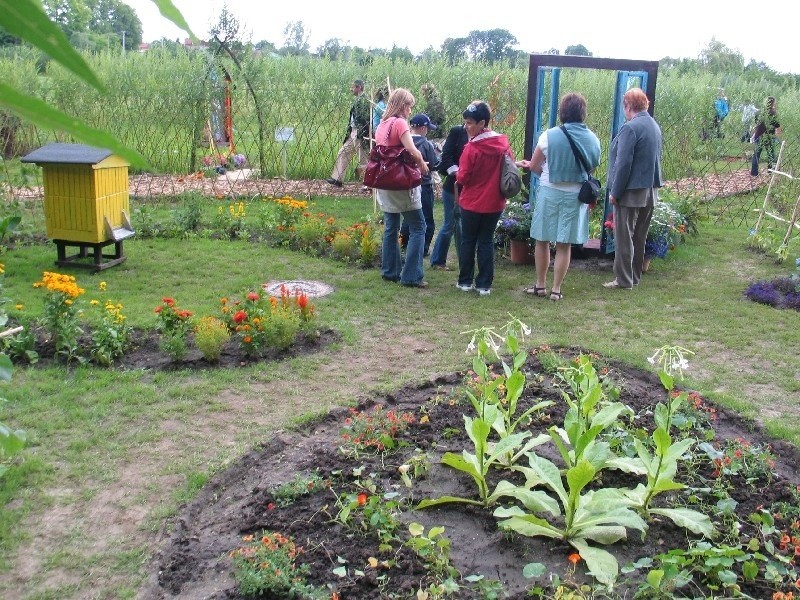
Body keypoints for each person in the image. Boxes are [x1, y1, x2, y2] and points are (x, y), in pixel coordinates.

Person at [516, 92, 601, 301]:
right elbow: (593, 165)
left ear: (562, 111)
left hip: (549, 191)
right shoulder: (593, 138)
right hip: (576, 195)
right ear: (583, 112)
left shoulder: (549, 135)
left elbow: (535, 165)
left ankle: (540, 285)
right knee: (564, 245)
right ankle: (556, 289)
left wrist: (545, 172)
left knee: (542, 240)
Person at [603, 88, 663, 290]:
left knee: (624, 236)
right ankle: (635, 276)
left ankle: (623, 280)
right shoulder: (654, 125)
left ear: (627, 106)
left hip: (630, 191)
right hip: (650, 189)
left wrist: (615, 191)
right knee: (639, 236)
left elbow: (623, 163)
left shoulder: (631, 128)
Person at [374, 88, 430, 288]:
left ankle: (390, 271)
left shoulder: (381, 124)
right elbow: (411, 149)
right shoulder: (399, 123)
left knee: (391, 226)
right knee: (418, 226)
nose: (410, 110)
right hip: (401, 183)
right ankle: (412, 276)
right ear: (401, 105)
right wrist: (423, 164)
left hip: (385, 182)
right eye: (409, 106)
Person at [455, 101, 512, 296]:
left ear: (482, 123)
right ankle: (484, 285)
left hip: (471, 202)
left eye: (470, 122)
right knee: (486, 241)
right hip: (495, 202)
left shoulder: (471, 148)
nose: (466, 126)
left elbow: (463, 177)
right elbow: (509, 169)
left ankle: (465, 281)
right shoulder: (503, 145)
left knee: (468, 240)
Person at [399, 114, 440, 256]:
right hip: (424, 185)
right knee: (427, 219)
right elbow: (435, 166)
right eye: (427, 128)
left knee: (408, 218)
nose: (428, 131)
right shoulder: (427, 145)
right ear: (423, 128)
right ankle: (423, 249)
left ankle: (403, 244)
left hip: (407, 185)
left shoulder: (404, 142)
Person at [430, 123, 468, 271]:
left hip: (472, 189)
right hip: (454, 187)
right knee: (450, 224)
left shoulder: (482, 136)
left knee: (463, 226)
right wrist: (457, 173)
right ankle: (438, 260)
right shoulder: (458, 132)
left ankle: (464, 261)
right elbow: (446, 157)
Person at [325, 79, 370, 188]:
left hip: (360, 133)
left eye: (353, 87)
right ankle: (337, 179)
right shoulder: (358, 99)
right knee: (343, 152)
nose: (351, 89)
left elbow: (365, 119)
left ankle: (368, 184)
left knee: (363, 158)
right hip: (353, 132)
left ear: (359, 87)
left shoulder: (364, 100)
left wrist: (364, 134)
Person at [750, 96, 781, 177]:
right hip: (768, 136)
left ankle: (754, 173)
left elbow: (756, 123)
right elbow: (777, 125)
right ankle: (770, 172)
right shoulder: (773, 113)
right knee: (770, 154)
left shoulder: (759, 112)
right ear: (773, 103)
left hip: (759, 135)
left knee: (756, 154)